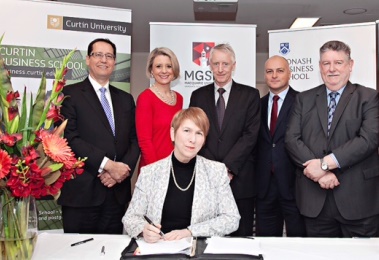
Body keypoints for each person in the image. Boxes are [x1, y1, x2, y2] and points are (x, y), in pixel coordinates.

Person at [285, 40, 379, 237]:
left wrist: (326, 164)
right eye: (326, 63)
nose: (332, 69)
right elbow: (292, 139)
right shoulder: (304, 99)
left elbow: (368, 139)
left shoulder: (369, 97)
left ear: (350, 65)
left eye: (338, 63)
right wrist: (321, 173)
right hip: (315, 200)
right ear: (320, 67)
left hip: (357, 201)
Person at [58, 38, 140, 234]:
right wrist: (108, 166)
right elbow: (69, 139)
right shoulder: (69, 94)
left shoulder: (126, 99)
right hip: (82, 194)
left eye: (109, 56)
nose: (104, 60)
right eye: (98, 55)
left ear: (114, 62)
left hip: (116, 196)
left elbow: (134, 140)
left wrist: (121, 172)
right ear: (88, 59)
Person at [122, 107, 240, 242]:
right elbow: (130, 218)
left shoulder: (216, 171)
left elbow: (231, 219)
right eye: (186, 131)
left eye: (199, 133)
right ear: (173, 133)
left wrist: (190, 232)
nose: (192, 139)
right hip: (160, 248)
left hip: (199, 249)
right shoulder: (150, 173)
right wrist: (144, 230)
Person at [189, 43, 260, 236]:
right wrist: (215, 170)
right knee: (207, 236)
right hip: (207, 179)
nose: (220, 69)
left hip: (240, 178)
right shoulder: (197, 96)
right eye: (216, 64)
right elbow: (195, 134)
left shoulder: (250, 95)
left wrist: (227, 168)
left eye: (225, 64)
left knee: (241, 238)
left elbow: (250, 135)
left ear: (234, 65)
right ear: (210, 65)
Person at [255, 55, 305, 237]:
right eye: (269, 71)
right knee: (265, 243)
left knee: (298, 244)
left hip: (294, 185)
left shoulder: (303, 102)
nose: (274, 75)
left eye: (279, 70)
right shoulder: (256, 105)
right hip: (264, 187)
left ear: (289, 74)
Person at [136, 47, 183, 171]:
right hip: (154, 169)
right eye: (158, 66)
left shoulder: (179, 98)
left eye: (168, 66)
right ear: (151, 69)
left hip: (176, 167)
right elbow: (145, 141)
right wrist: (158, 170)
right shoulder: (145, 98)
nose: (164, 71)